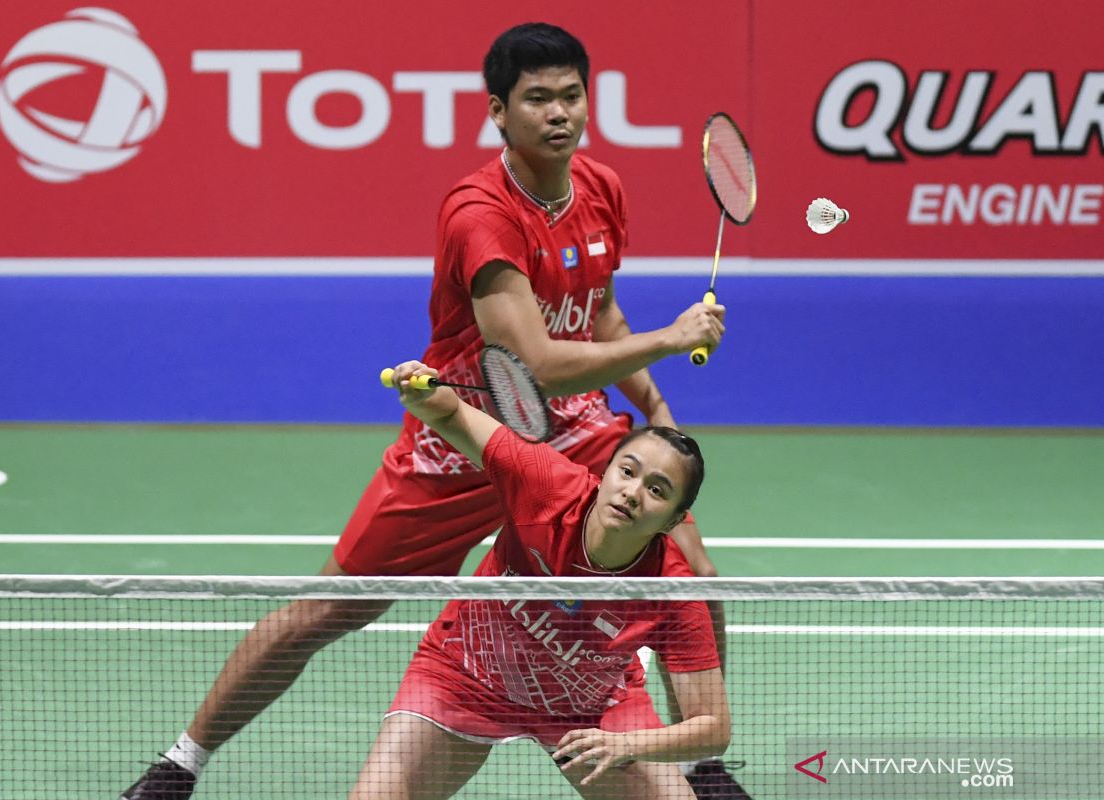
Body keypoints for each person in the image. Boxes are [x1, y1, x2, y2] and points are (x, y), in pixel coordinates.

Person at [121, 22, 748, 800]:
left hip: (576, 432)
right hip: (464, 438)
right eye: (538, 99)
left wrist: (652, 404)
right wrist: (673, 336)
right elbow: (541, 366)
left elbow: (598, 315)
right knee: (331, 609)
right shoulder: (479, 213)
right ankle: (180, 763)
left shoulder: (601, 188)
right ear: (498, 111)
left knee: (696, 574)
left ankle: (699, 762)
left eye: (572, 95)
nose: (560, 113)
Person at [349, 360, 731, 800]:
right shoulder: (545, 485)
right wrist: (423, 395)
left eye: (657, 490)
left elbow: (713, 728)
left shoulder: (671, 591)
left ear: (675, 521)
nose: (632, 492)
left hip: (592, 709)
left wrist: (627, 743)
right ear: (605, 470)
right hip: (467, 674)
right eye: (627, 471)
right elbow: (452, 413)